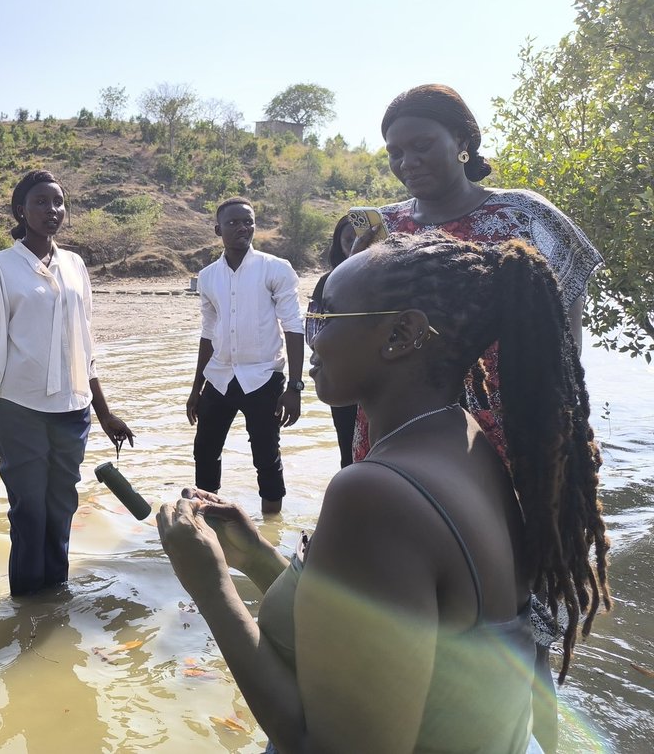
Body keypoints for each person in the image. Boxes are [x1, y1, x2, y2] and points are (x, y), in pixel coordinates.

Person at [159, 231, 610, 754]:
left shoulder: (376, 493)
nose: (311, 336)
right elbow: (380, 628)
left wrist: (210, 585)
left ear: (402, 334)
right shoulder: (465, 441)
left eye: (327, 315)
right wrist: (256, 556)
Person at [353, 83, 604, 749]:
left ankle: (538, 738)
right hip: (400, 433)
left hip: (511, 442)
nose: (407, 162)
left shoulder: (526, 217)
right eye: (394, 151)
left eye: (422, 145)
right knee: (408, 602)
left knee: (523, 613)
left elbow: (563, 339)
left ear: (464, 142)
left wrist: (557, 427)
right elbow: (357, 338)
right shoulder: (380, 229)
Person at [0, 169, 134, 597]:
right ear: (21, 210)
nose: (52, 210)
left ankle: (55, 600)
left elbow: (84, 344)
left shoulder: (74, 265)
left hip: (73, 410)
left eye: (58, 202)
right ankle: (25, 602)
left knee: (61, 509)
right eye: (40, 202)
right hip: (19, 408)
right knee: (29, 512)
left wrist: (104, 412)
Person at [186, 198, 304, 512]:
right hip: (220, 377)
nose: (243, 228)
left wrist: (295, 387)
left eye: (248, 221)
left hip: (263, 377)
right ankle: (208, 518)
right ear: (218, 230)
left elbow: (293, 327)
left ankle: (270, 529)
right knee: (204, 453)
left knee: (266, 457)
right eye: (233, 222)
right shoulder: (208, 277)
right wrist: (196, 389)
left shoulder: (275, 268)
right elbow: (208, 333)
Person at [310, 216, 357, 467]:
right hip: (343, 377)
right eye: (349, 240)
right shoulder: (327, 282)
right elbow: (313, 331)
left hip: (388, 380)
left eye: (364, 239)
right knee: (348, 446)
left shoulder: (391, 280)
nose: (357, 245)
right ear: (338, 244)